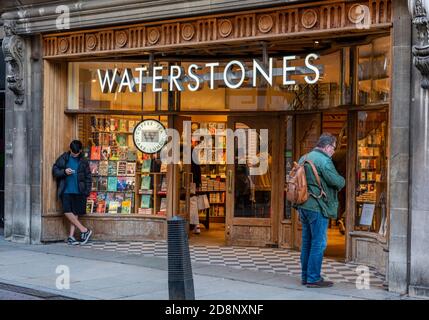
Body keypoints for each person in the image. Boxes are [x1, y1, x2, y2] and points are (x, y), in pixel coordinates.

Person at [297, 133, 345, 288]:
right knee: (319, 243)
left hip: (303, 205)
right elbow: (336, 181)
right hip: (318, 206)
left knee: (307, 242)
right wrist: (343, 180)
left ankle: (306, 276)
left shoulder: (303, 158)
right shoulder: (324, 161)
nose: (333, 151)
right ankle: (313, 278)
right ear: (327, 146)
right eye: (333, 148)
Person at [52, 140, 93, 245]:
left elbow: (88, 177)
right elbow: (55, 170)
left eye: (78, 153)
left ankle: (71, 236)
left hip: (79, 191)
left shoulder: (83, 161)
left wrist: (87, 191)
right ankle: (84, 230)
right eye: (74, 153)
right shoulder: (64, 158)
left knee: (75, 214)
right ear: (70, 149)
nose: (76, 154)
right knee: (67, 211)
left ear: (80, 150)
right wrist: (64, 172)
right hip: (66, 190)